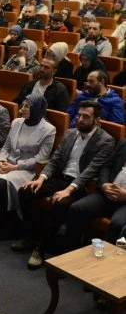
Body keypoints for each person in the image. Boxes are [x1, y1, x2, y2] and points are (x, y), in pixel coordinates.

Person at [14, 100, 114, 269]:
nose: (80, 119)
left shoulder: (105, 140)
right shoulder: (70, 133)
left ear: (97, 120)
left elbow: (91, 170)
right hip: (61, 177)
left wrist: (68, 190)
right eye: (79, 115)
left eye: (86, 117)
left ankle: (41, 248)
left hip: (81, 186)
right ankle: (33, 236)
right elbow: (55, 159)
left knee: (60, 203)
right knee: (26, 191)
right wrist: (41, 178)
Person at [0, 95, 56, 237]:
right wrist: (1, 161)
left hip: (27, 169)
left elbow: (41, 158)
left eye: (26, 107)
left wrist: (15, 167)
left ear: (37, 109)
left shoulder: (49, 130)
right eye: (22, 105)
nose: (21, 109)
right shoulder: (16, 122)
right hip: (7, 163)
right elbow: (6, 146)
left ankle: (5, 223)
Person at [65, 138, 126, 249]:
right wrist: (104, 184)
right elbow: (107, 166)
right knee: (77, 208)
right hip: (107, 193)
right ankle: (69, 252)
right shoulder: (124, 143)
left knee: (118, 224)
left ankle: (107, 259)